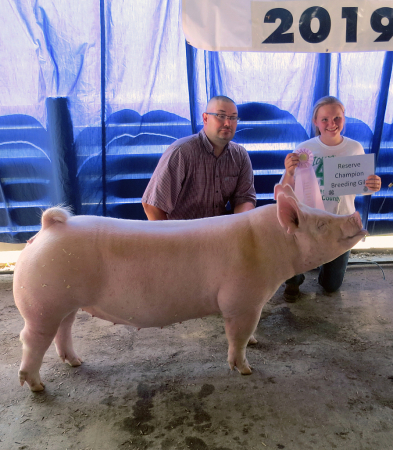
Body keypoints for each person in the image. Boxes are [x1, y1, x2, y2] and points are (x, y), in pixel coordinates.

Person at [280, 96, 381, 301]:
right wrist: (289, 171)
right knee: (292, 252)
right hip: (309, 220)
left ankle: (324, 271)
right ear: (315, 122)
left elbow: (361, 188)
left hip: (340, 221)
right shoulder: (304, 149)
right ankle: (294, 280)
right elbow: (286, 188)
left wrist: (372, 187)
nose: (331, 124)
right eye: (324, 119)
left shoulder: (354, 149)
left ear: (344, 119)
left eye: (337, 118)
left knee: (331, 286)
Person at [142, 96, 256, 220]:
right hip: (182, 233)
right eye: (221, 116)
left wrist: (241, 227)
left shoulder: (240, 155)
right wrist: (169, 238)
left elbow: (244, 199)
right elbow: (152, 206)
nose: (228, 123)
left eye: (233, 118)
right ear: (205, 118)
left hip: (221, 232)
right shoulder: (181, 152)